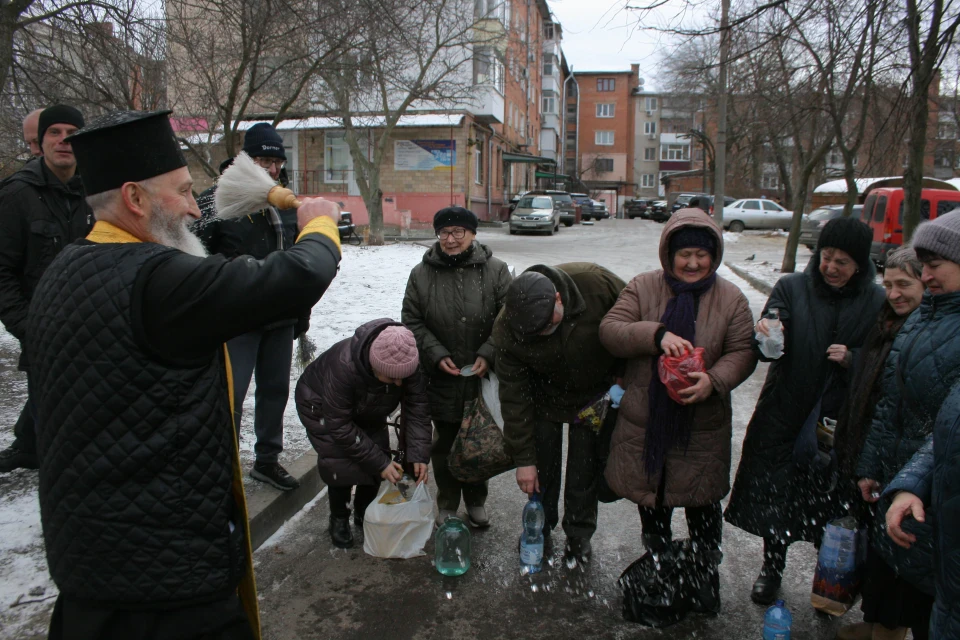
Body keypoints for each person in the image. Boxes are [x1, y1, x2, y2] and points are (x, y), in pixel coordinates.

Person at [25, 109, 342, 639]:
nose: (196, 208)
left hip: (91, 568)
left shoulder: (69, 267)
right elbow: (296, 276)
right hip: (167, 584)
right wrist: (322, 220)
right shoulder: (154, 278)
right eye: (182, 191)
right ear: (135, 199)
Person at [599, 208, 756, 612]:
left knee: (703, 507)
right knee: (654, 505)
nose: (692, 263)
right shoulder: (643, 287)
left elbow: (743, 352)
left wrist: (715, 381)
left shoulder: (731, 298)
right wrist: (657, 334)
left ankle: (703, 579)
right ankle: (660, 574)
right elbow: (611, 332)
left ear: (714, 255)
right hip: (647, 426)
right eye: (684, 254)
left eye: (701, 255)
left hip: (701, 428)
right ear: (669, 252)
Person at [725, 217, 885, 605]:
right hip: (785, 409)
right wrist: (767, 335)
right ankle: (771, 569)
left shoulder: (876, 301)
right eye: (826, 257)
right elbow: (769, 336)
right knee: (778, 496)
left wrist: (855, 358)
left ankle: (829, 577)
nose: (831, 267)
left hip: (840, 419)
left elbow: (885, 357)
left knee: (830, 502)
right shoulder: (791, 287)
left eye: (842, 262)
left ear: (861, 266)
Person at [856, 213, 960, 640]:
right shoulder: (925, 316)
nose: (926, 274)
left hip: (939, 496)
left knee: (927, 600)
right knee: (895, 584)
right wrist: (874, 467)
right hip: (907, 482)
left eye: (934, 264)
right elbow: (891, 404)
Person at [494, 262, 626, 563]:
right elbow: (514, 399)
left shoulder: (597, 284)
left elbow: (634, 318)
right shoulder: (507, 329)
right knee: (542, 468)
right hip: (544, 396)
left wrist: (623, 372)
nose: (544, 334)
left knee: (585, 466)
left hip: (594, 393)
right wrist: (523, 461)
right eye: (535, 333)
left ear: (558, 298)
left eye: (549, 326)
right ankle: (542, 527)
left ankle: (579, 534)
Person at [197, 123, 304, 492]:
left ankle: (267, 461)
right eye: (263, 160)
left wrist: (300, 313)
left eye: (277, 161)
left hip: (280, 316)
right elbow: (193, 255)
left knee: (274, 392)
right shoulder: (217, 199)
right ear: (245, 160)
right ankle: (219, 466)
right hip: (235, 318)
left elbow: (297, 260)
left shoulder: (286, 203)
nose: (272, 169)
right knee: (230, 397)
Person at [829, 246, 928, 640]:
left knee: (902, 555)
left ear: (928, 282)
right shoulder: (887, 322)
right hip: (878, 452)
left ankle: (889, 629)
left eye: (904, 284)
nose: (894, 293)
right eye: (887, 284)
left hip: (906, 462)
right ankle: (877, 622)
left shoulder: (922, 329)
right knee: (879, 554)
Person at [401, 206, 512, 528]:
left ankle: (476, 502)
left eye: (458, 232)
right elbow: (412, 320)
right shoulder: (421, 274)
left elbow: (509, 318)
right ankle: (447, 503)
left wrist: (488, 353)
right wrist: (435, 354)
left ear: (473, 234)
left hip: (482, 376)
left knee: (480, 440)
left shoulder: (496, 270)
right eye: (444, 233)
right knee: (445, 443)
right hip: (442, 376)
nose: (450, 239)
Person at [0, 105, 93, 474]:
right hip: (43, 331)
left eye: (72, 132)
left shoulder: (96, 191)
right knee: (57, 425)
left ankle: (29, 446)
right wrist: (28, 327)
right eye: (54, 132)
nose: (64, 140)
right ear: (39, 141)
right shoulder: (16, 195)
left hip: (92, 329)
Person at [296, 320, 431, 548]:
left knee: (378, 453)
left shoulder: (408, 362)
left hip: (369, 405)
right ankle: (339, 517)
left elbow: (418, 408)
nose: (399, 383)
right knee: (340, 462)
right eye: (392, 378)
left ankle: (364, 511)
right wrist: (381, 464)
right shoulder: (343, 367)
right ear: (374, 366)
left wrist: (418, 454)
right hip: (320, 406)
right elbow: (339, 425)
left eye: (403, 378)